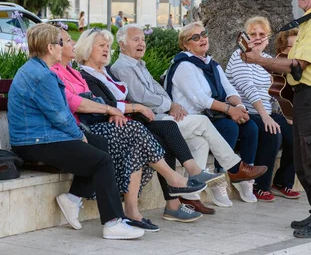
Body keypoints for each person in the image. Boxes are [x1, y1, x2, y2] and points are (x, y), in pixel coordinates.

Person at [6, 24, 144, 240]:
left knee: (101, 145)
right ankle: (113, 222)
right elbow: (60, 117)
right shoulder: (43, 76)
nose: (65, 46)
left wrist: (83, 136)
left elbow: (59, 114)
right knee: (101, 160)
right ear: (50, 47)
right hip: (35, 142)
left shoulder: (38, 69)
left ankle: (72, 199)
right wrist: (80, 136)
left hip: (40, 137)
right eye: (61, 42)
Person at [112, 24, 265, 211]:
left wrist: (170, 104)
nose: (141, 43)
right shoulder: (123, 67)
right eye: (136, 40)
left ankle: (190, 195)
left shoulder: (139, 65)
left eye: (143, 39)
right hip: (149, 122)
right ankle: (234, 168)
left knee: (201, 141)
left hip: (163, 116)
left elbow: (158, 91)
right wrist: (170, 105)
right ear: (122, 44)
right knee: (203, 123)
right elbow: (141, 97)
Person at [69, 28, 209, 230]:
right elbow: (104, 104)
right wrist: (132, 109)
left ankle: (138, 210)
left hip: (123, 124)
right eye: (101, 46)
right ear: (87, 48)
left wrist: (126, 110)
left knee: (157, 137)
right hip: (102, 127)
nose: (107, 50)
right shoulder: (86, 75)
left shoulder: (106, 72)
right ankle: (174, 181)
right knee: (147, 132)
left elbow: (118, 102)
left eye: (108, 46)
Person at [240, 0, 311, 238]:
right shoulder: (310, 21)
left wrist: (260, 59)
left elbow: (298, 65)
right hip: (306, 98)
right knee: (303, 163)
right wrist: (265, 59)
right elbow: (291, 68)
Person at [164, 21, 269, 205]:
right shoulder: (184, 65)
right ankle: (220, 179)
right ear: (186, 44)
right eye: (195, 37)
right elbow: (200, 100)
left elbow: (230, 90)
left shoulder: (211, 64)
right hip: (193, 118)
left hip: (212, 115)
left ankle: (243, 178)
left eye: (203, 34)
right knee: (229, 127)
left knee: (250, 126)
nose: (202, 39)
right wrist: (230, 110)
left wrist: (240, 108)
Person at [226, 17, 300, 203]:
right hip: (246, 112)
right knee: (272, 131)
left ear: (268, 38)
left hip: (266, 111)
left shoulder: (268, 60)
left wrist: (288, 115)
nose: (257, 38)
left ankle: (282, 182)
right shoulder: (239, 56)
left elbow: (277, 91)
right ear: (245, 36)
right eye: (253, 34)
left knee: (295, 132)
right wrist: (266, 117)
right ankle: (260, 186)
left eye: (261, 34)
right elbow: (249, 89)